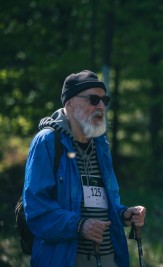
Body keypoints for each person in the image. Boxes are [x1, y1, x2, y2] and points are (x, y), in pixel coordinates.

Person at [23, 70, 146, 267]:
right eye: (93, 99)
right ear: (70, 104)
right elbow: (37, 211)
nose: (101, 106)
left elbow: (106, 203)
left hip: (108, 258)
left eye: (104, 100)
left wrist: (124, 214)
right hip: (65, 259)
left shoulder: (100, 144)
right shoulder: (47, 141)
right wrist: (80, 225)